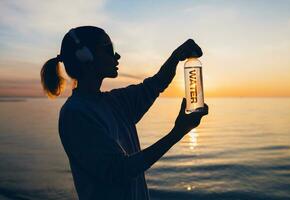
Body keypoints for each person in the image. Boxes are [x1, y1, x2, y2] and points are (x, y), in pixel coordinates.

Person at [40, 26, 208, 200]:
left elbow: (154, 85)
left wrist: (176, 57)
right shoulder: (75, 115)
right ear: (86, 56)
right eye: (108, 49)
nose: (116, 56)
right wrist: (178, 132)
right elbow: (119, 171)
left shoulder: (116, 102)